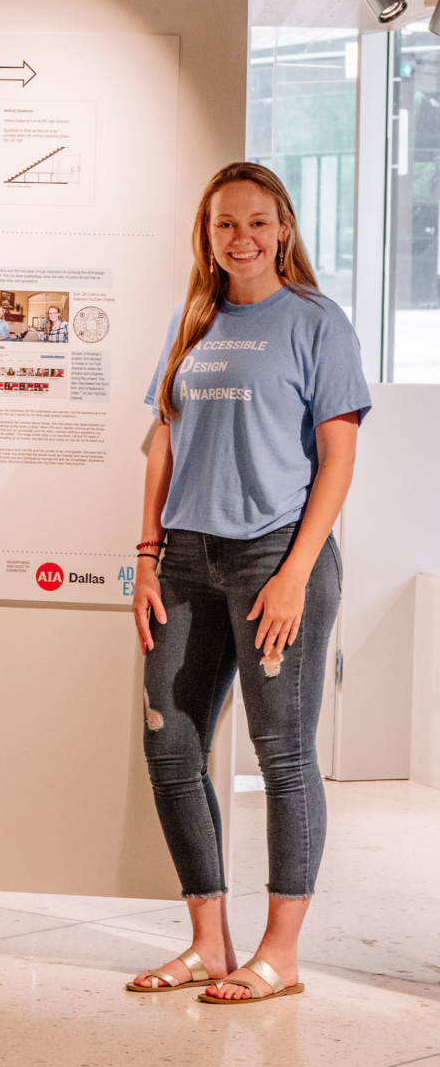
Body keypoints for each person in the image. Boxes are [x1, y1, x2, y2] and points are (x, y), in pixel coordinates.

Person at [129, 162, 370, 1005]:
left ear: (284, 229)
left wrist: (296, 573)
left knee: (281, 755)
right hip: (187, 559)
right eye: (225, 224)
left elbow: (337, 457)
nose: (242, 238)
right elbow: (161, 444)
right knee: (170, 744)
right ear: (207, 233)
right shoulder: (191, 322)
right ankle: (207, 941)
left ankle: (281, 951)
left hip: (276, 556)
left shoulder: (315, 322)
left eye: (257, 222)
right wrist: (147, 555)